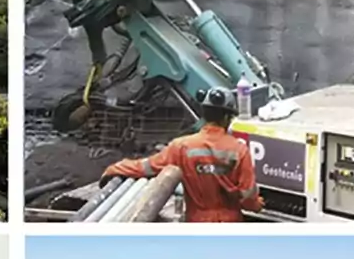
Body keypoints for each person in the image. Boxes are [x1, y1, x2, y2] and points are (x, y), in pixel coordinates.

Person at [99, 86, 264, 222]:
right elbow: (248, 198)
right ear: (227, 117)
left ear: (204, 113)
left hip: (197, 222)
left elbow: (146, 167)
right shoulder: (239, 150)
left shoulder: (182, 146)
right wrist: (257, 205)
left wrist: (115, 168)